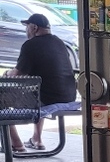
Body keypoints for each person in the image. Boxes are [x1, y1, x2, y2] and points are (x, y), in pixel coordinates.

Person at [6, 12, 77, 153]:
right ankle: (36, 139)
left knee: (3, 100)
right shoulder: (60, 43)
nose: (26, 30)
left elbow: (16, 74)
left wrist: (7, 73)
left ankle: (16, 144)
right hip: (68, 96)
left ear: (34, 27)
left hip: (46, 99)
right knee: (38, 91)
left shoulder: (30, 45)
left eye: (27, 27)